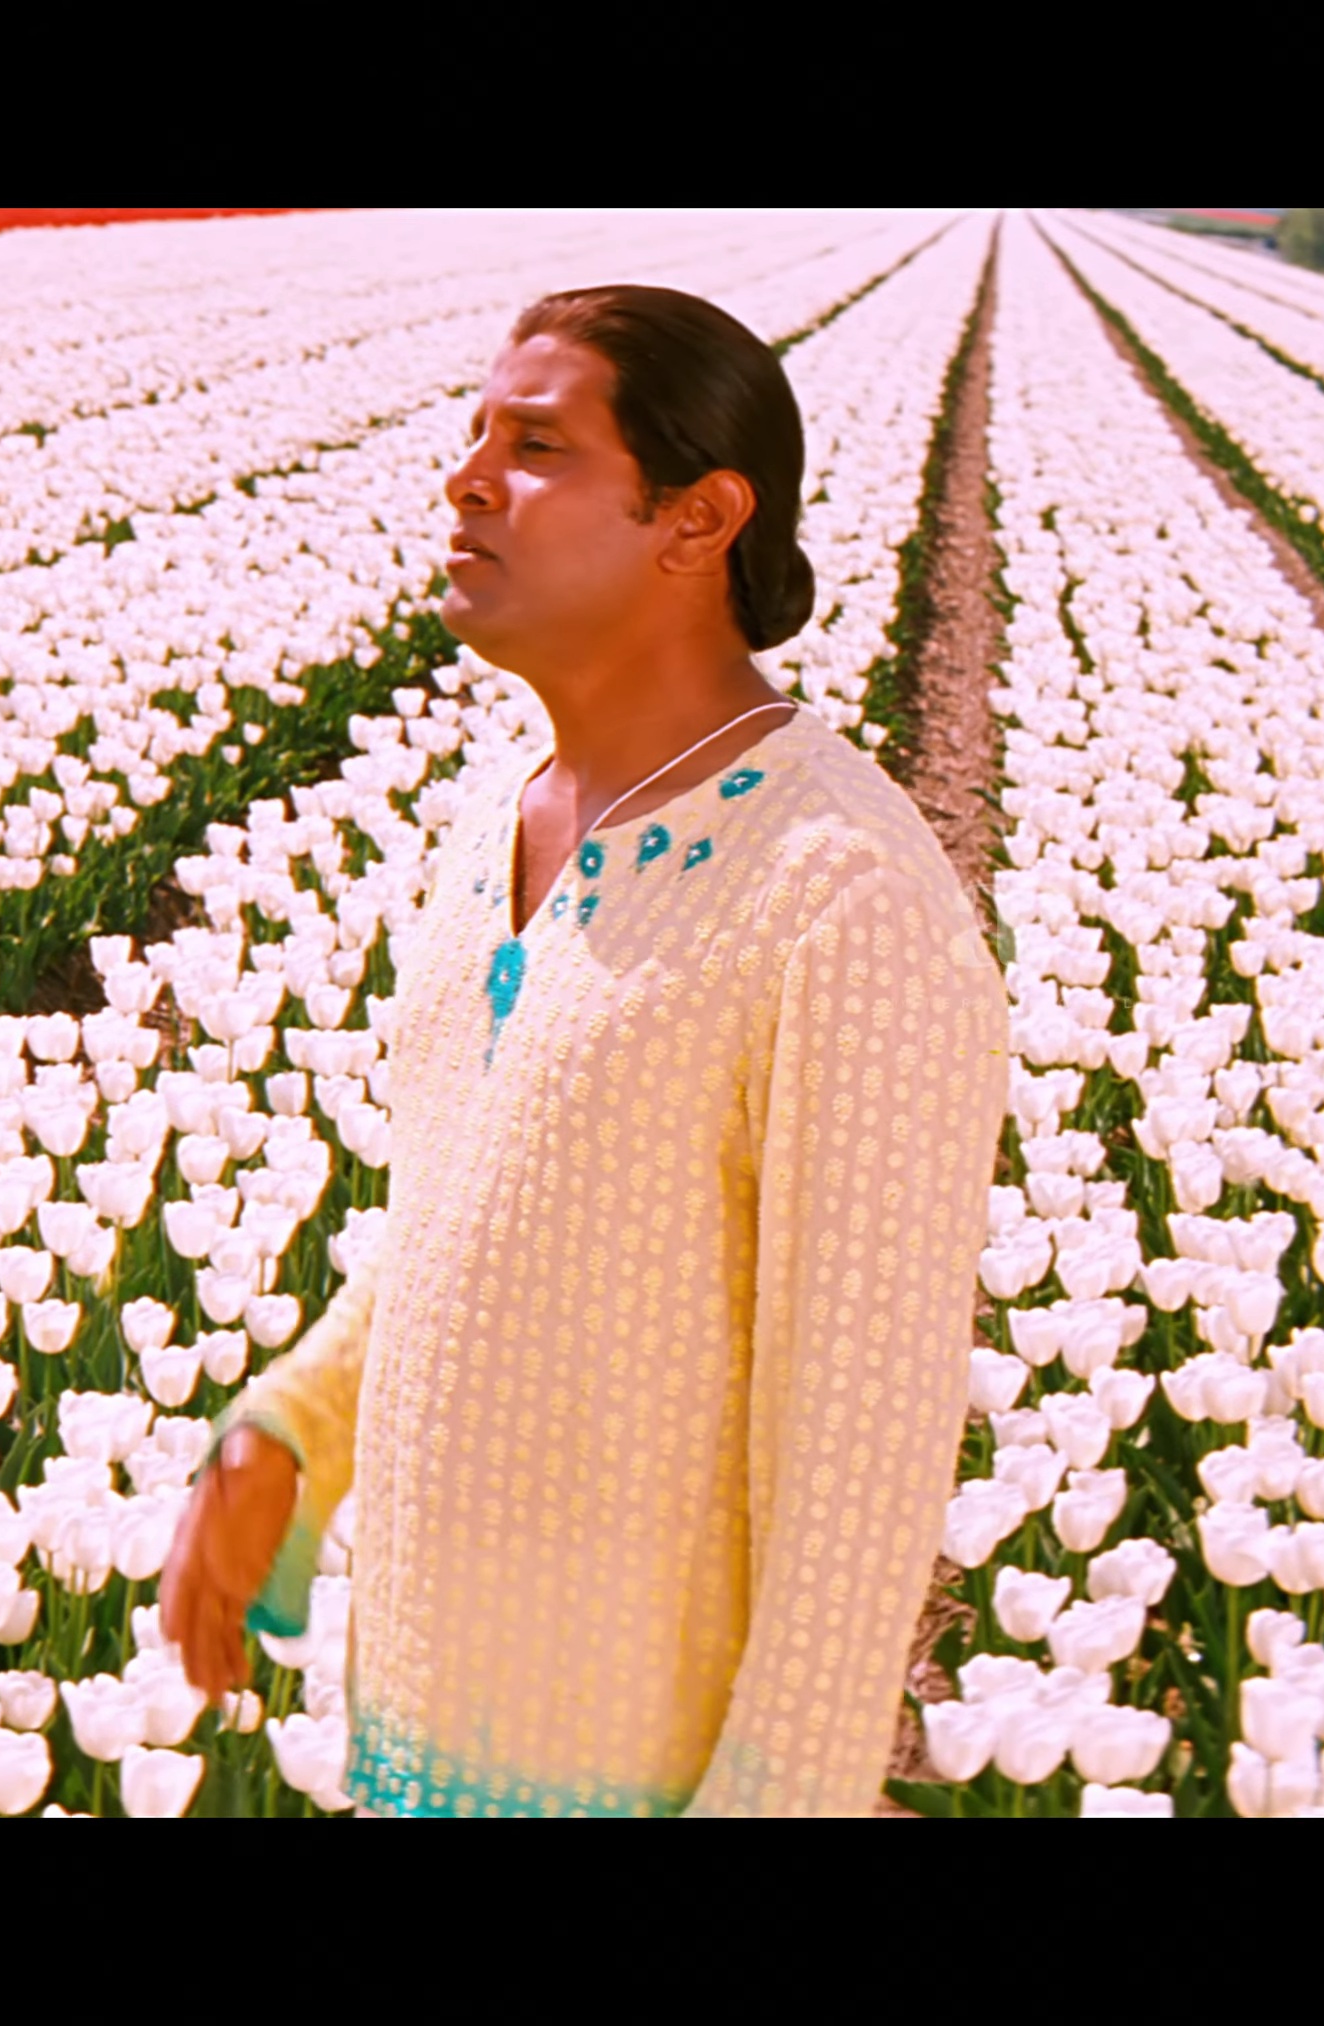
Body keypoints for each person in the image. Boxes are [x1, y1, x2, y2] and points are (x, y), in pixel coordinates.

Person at [155, 286, 1007, 1816]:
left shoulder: (840, 895)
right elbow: (478, 1224)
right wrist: (289, 1432)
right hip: (420, 1739)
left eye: (536, 445)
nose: (467, 478)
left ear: (699, 519)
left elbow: (860, 1468)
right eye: (476, 433)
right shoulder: (501, 816)